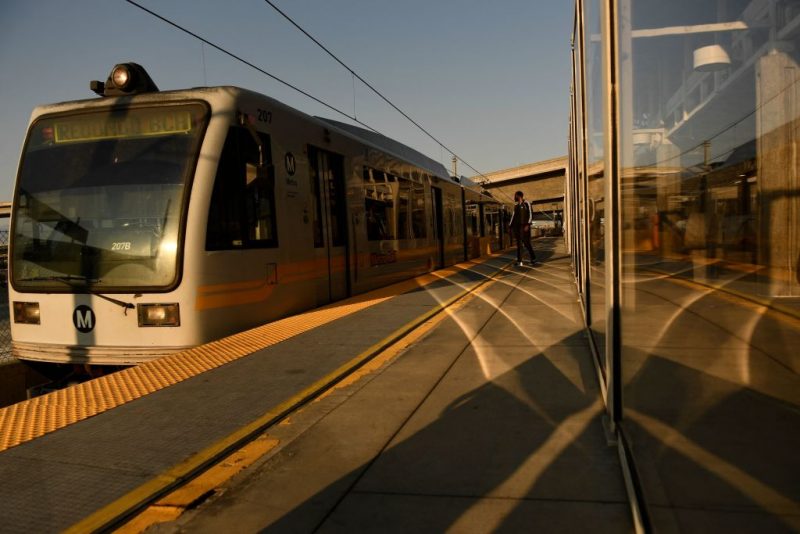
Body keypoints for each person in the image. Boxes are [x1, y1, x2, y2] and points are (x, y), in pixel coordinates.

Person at [508, 190, 537, 266]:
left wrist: (528, 224)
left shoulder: (527, 203)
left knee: (527, 243)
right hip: (517, 228)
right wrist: (510, 226)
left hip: (525, 226)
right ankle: (519, 261)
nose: (515, 197)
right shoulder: (516, 206)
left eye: (515, 195)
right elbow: (513, 216)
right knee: (519, 245)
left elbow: (531, 213)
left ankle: (533, 259)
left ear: (519, 196)